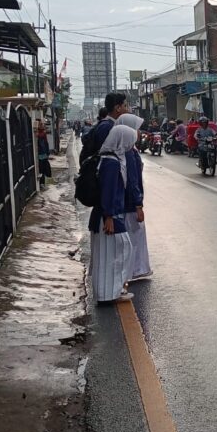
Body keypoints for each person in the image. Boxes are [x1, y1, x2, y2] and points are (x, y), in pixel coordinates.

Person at [88, 125, 137, 303]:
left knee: (110, 254)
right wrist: (108, 216)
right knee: (122, 250)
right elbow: (108, 191)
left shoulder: (110, 159)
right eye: (130, 140)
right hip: (107, 217)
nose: (132, 145)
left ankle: (110, 293)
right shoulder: (111, 163)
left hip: (107, 215)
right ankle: (109, 293)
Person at [116, 115, 152, 281]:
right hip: (130, 203)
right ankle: (135, 270)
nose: (138, 132)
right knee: (134, 236)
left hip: (128, 202)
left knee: (133, 236)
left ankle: (135, 269)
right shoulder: (128, 152)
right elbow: (132, 180)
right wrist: (138, 204)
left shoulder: (128, 148)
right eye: (135, 129)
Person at [80, 92, 129, 164]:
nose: (127, 110)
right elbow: (106, 158)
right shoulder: (107, 128)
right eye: (125, 106)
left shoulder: (110, 125)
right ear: (118, 108)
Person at [36, 120, 51, 189]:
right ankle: (41, 183)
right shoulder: (39, 134)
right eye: (41, 124)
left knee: (43, 169)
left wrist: (47, 153)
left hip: (43, 154)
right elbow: (45, 144)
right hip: (41, 154)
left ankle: (42, 183)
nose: (42, 125)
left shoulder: (42, 134)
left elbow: (46, 144)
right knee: (42, 169)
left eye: (42, 124)